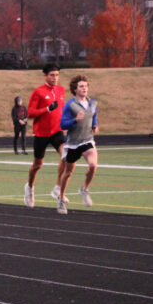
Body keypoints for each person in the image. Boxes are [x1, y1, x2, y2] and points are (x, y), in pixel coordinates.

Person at [24, 63, 67, 208]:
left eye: (57, 75)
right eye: (52, 75)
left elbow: (61, 110)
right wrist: (47, 108)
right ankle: (30, 188)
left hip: (57, 132)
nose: (55, 78)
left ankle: (57, 188)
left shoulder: (61, 90)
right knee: (37, 165)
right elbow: (29, 113)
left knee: (67, 157)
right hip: (41, 133)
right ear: (45, 75)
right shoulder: (38, 92)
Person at [57, 75, 99, 215]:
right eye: (81, 86)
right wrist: (75, 120)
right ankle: (61, 198)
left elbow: (93, 115)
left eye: (86, 86)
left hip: (87, 140)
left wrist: (95, 125)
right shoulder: (70, 105)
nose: (84, 88)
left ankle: (84, 189)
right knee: (68, 173)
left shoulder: (92, 103)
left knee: (93, 166)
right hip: (73, 143)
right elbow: (63, 124)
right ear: (75, 89)